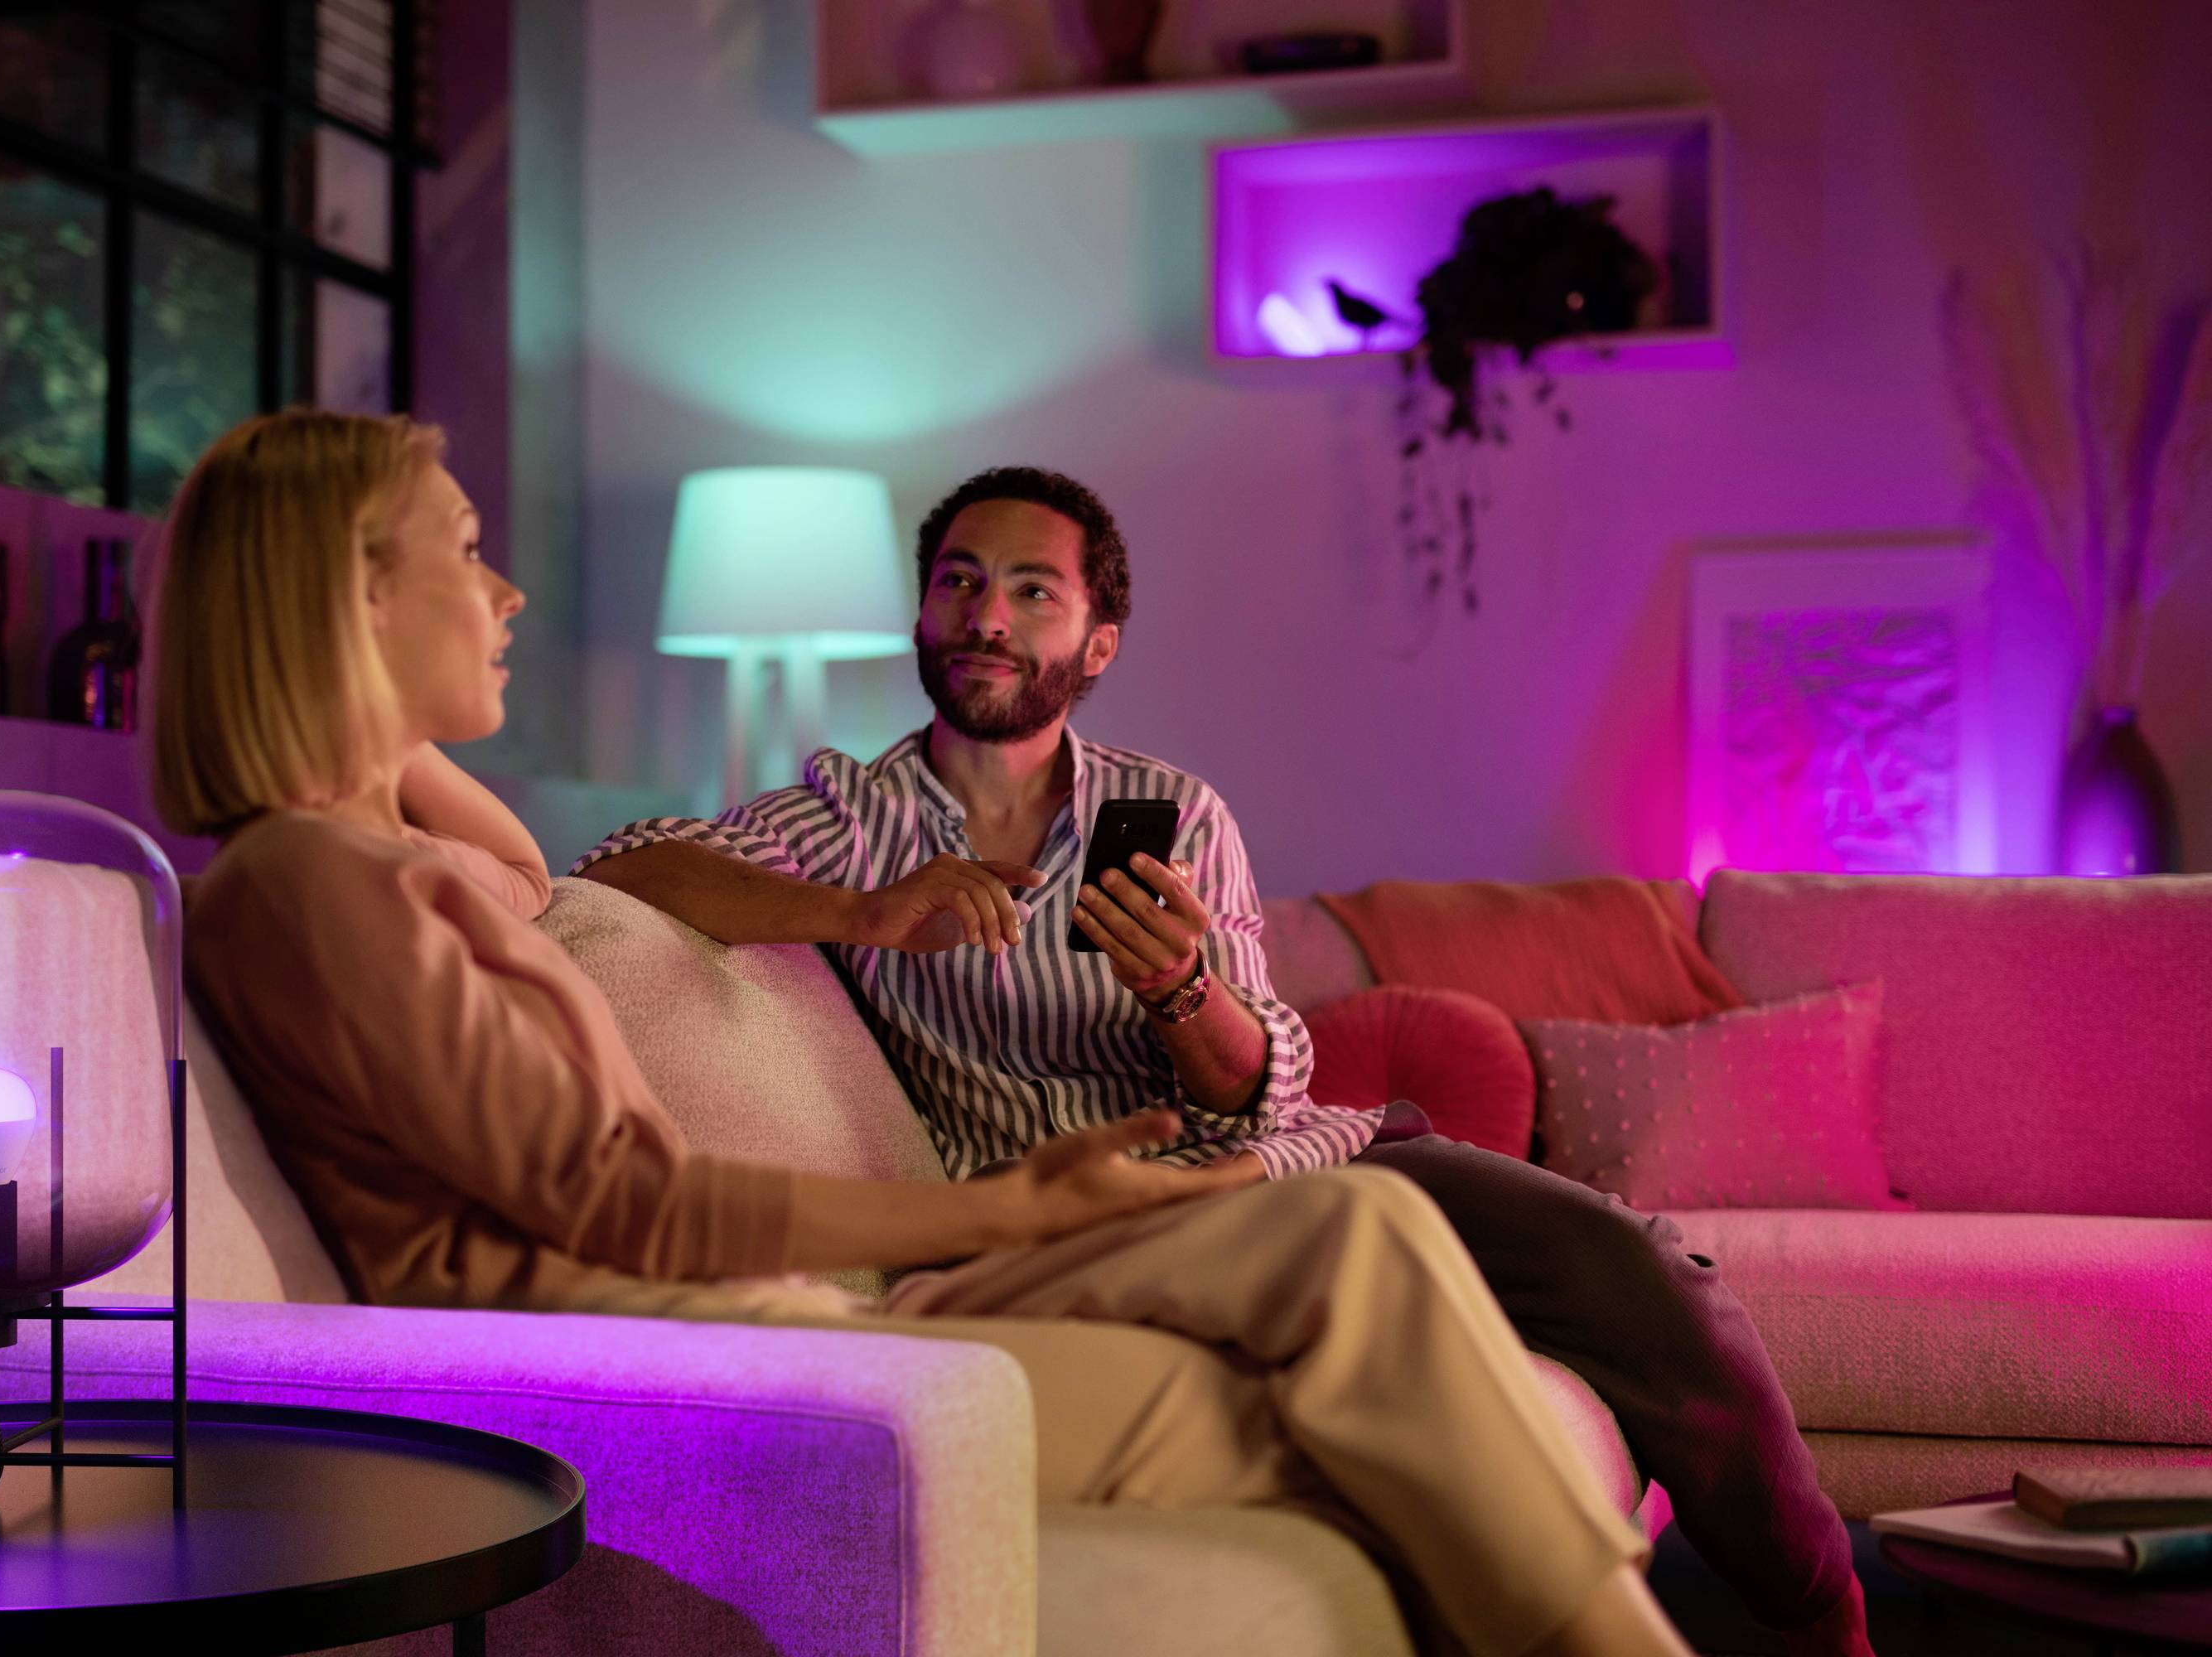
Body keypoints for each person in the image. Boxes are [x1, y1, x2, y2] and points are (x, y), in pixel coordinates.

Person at [152, 409, 1693, 1657]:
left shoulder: (385, 865)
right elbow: (629, 1187)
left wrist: (371, 721)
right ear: (352, 599)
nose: (510, 596)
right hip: (692, 1359)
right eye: (466, 551)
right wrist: (1000, 1190)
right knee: (1354, 1409)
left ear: (1099, 638)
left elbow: (532, 870)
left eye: (1033, 590)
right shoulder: (313, 888)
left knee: (1376, 1247)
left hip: (785, 1307)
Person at [575, 466, 1874, 1657]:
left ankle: (1826, 1626)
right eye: (960, 580)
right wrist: (859, 914)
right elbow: (623, 871)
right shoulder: (847, 820)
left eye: (1032, 591)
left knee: (1646, 1273)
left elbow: (1262, 1089)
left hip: (1301, 1162)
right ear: (922, 613)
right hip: (1109, 1219)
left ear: (1097, 643)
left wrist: (1181, 990)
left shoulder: (1175, 812)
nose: (986, 616)